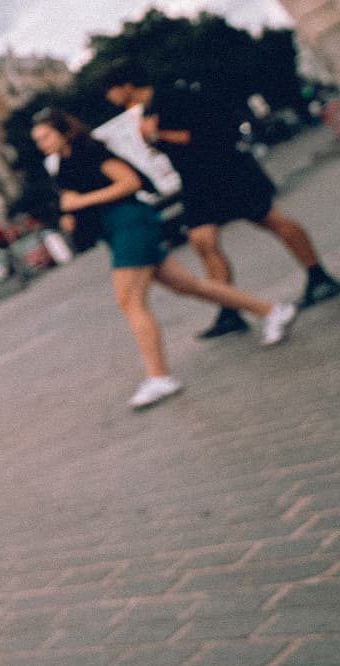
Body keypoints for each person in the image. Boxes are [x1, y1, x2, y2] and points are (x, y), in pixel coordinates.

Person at [32, 108, 295, 410]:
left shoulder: (89, 152)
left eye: (45, 136)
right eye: (38, 139)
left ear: (64, 132)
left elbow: (130, 183)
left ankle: (159, 376)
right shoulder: (63, 166)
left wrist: (82, 202)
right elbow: (75, 200)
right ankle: (273, 310)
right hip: (116, 231)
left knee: (130, 301)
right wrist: (72, 215)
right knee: (190, 285)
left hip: (131, 223)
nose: (41, 143)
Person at [103, 60, 340, 337]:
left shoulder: (174, 97)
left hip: (227, 172)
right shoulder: (147, 109)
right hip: (197, 182)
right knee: (202, 241)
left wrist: (156, 133)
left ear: (126, 86)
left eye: (110, 90)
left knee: (271, 219)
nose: (110, 98)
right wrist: (152, 138)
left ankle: (318, 276)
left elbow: (203, 134)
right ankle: (230, 309)